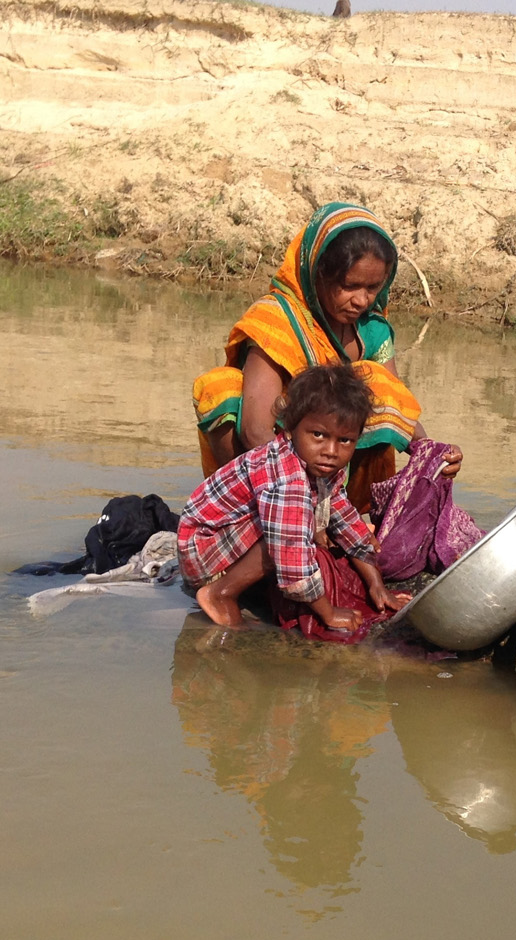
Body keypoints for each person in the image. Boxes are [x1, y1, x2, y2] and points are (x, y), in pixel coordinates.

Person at [192, 202, 461, 514]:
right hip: (275, 479)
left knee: (378, 384)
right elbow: (255, 430)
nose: (362, 300)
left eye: (373, 288)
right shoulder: (276, 321)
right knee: (222, 388)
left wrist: (431, 452)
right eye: (349, 286)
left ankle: (353, 512)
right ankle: (252, 518)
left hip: (339, 479)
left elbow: (397, 407)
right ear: (318, 272)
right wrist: (303, 495)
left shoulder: (372, 332)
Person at [178, 363, 411, 634]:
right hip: (205, 551)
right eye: (318, 435)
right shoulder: (288, 479)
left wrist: (376, 584)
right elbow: (290, 554)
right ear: (290, 428)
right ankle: (220, 592)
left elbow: (348, 524)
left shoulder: (320, 468)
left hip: (229, 544)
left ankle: (239, 586)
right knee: (287, 538)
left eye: (345, 440)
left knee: (311, 534)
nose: (331, 451)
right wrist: (328, 612)